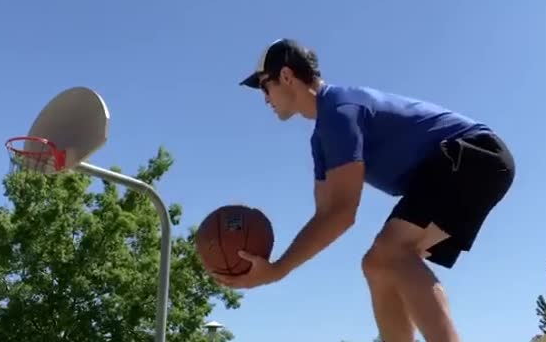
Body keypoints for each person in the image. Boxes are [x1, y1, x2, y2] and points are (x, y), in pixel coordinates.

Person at [213, 38, 515, 342]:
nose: (265, 97)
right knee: (376, 264)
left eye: (265, 85)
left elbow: (342, 213)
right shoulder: (322, 137)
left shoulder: (339, 110)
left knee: (393, 251)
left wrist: (277, 271)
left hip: (475, 155)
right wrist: (275, 268)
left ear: (287, 77)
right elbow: (326, 214)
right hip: (457, 165)